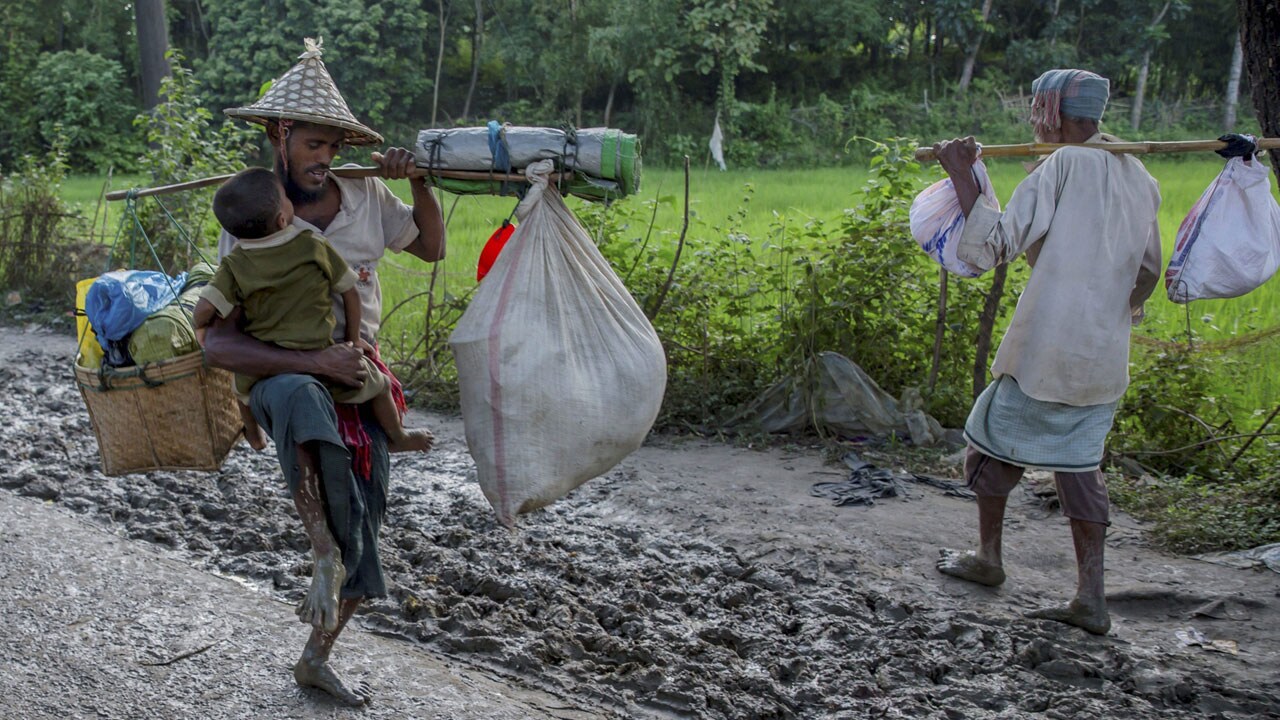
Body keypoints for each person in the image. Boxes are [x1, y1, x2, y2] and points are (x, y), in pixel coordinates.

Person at [199, 38, 445, 706]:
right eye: (313, 144)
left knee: (364, 525)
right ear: (280, 136)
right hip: (285, 381)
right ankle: (317, 541)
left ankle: (316, 653)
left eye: (334, 147)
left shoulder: (364, 200)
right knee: (303, 395)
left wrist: (417, 181)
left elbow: (432, 246)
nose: (325, 159)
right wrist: (312, 360)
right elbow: (218, 345)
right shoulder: (246, 220)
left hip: (357, 373)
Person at [931, 69, 1162, 635]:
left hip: (1046, 349)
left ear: (1052, 110)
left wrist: (963, 176)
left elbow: (992, 248)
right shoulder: (1141, 175)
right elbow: (1149, 272)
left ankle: (988, 558)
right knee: (1080, 465)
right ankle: (1091, 596)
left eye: (1038, 107)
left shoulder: (1063, 164)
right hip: (1101, 354)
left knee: (986, 446)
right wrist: (1108, 307)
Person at [193, 167, 433, 456]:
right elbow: (350, 292)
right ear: (283, 218)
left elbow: (205, 308)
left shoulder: (235, 263)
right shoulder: (311, 246)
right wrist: (353, 340)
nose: (325, 157)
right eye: (314, 144)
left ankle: (254, 434)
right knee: (379, 385)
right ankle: (398, 436)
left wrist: (201, 323)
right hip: (326, 350)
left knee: (240, 385)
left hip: (269, 361)